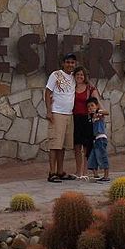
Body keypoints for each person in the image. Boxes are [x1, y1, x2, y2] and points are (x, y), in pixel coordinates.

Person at [44, 53, 78, 183]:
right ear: (63, 63)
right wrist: (49, 111)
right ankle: (52, 172)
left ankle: (60, 171)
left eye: (72, 63)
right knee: (55, 144)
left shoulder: (74, 77)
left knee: (62, 145)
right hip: (57, 113)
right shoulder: (56, 75)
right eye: (68, 62)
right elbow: (47, 92)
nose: (70, 65)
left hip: (69, 114)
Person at [72, 66, 99, 180]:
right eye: (77, 74)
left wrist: (100, 114)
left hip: (86, 119)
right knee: (77, 146)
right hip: (75, 119)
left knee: (86, 146)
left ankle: (85, 172)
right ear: (74, 76)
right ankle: (78, 171)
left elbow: (97, 104)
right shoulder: (71, 88)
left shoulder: (90, 88)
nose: (79, 77)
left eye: (81, 75)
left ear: (85, 76)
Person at [86, 96, 110, 182]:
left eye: (92, 105)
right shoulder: (91, 117)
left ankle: (106, 175)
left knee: (102, 156)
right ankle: (95, 175)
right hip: (95, 140)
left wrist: (97, 110)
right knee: (92, 157)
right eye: (88, 107)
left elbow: (106, 112)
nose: (90, 108)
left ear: (96, 106)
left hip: (101, 138)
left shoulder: (99, 114)